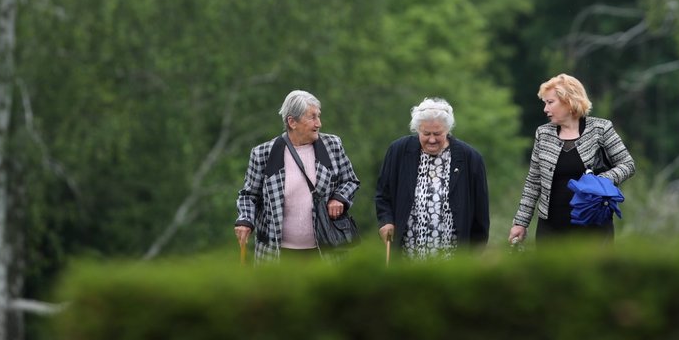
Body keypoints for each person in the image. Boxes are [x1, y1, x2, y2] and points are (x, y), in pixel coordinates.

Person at [508, 74, 635, 245]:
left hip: (593, 226)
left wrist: (600, 181)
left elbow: (628, 164)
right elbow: (533, 182)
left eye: (550, 102)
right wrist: (520, 222)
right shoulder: (543, 134)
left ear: (568, 102)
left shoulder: (601, 128)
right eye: (544, 103)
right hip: (551, 229)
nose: (545, 109)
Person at [234, 90, 360, 261]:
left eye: (319, 116)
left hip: (325, 252)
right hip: (276, 254)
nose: (319, 123)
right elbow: (249, 195)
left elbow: (350, 180)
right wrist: (245, 220)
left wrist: (339, 198)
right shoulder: (263, 153)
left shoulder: (332, 145)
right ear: (292, 122)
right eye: (312, 117)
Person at [375, 97, 490, 259]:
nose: (432, 139)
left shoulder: (470, 158)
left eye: (438, 133)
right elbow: (383, 194)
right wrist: (385, 221)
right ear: (417, 130)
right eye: (426, 133)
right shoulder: (398, 151)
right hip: (407, 256)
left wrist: (474, 255)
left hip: (453, 259)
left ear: (447, 130)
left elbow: (481, 212)